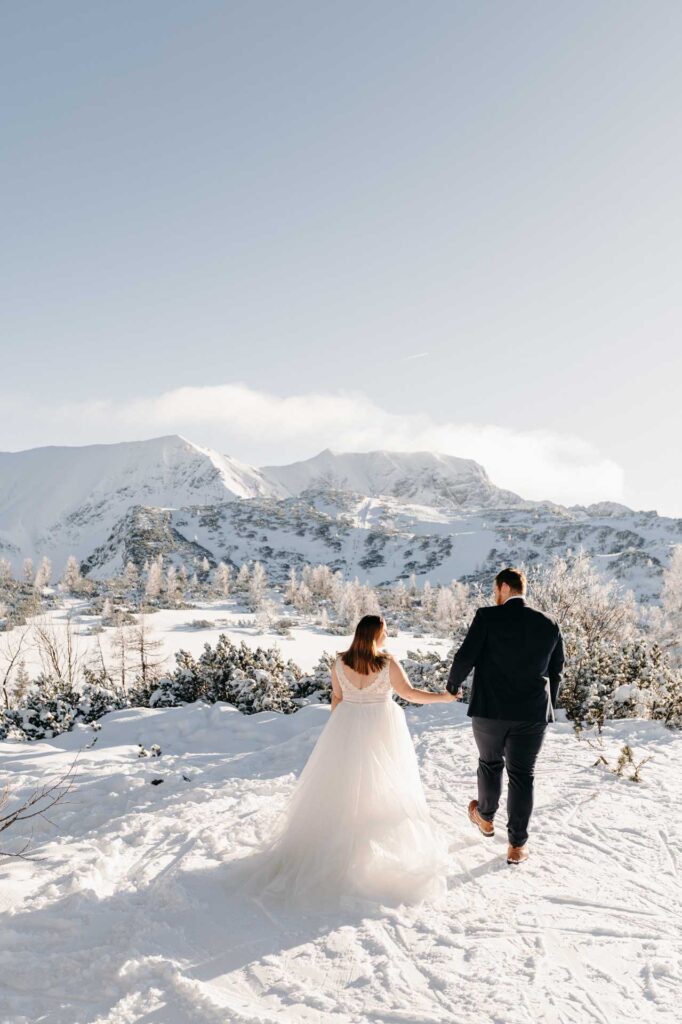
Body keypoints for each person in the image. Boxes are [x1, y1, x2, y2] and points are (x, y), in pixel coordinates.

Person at [238, 614, 456, 907]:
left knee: (342, 787)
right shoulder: (386, 662)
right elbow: (409, 694)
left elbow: (337, 699)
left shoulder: (340, 662)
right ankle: (370, 850)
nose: (388, 636)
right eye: (386, 632)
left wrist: (339, 733)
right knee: (384, 785)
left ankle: (336, 845)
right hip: (381, 726)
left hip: (346, 725)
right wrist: (444, 698)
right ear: (377, 636)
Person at [446, 567, 564, 866]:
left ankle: (485, 817)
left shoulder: (487, 617)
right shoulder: (549, 623)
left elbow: (466, 656)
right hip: (532, 712)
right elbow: (556, 671)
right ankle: (517, 846)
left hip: (490, 710)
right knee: (523, 776)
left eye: (494, 590)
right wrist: (548, 705)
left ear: (502, 588)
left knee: (490, 763)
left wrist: (452, 685)